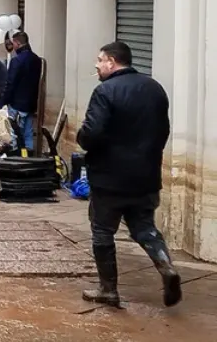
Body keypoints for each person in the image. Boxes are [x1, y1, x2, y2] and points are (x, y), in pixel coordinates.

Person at [76, 41, 180, 308]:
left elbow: (92, 133)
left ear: (112, 61)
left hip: (109, 178)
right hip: (145, 176)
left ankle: (108, 289)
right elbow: (163, 131)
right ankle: (166, 266)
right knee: (145, 227)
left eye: (100, 60)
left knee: (102, 231)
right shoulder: (154, 88)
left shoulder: (105, 91)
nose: (97, 66)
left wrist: (82, 137)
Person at [0, 31, 42, 151]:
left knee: (14, 134)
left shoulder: (17, 61)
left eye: (13, 44)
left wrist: (1, 102)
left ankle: (16, 159)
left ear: (17, 43)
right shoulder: (36, 59)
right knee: (28, 133)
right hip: (30, 103)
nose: (13, 47)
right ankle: (29, 159)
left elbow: (10, 83)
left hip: (17, 103)